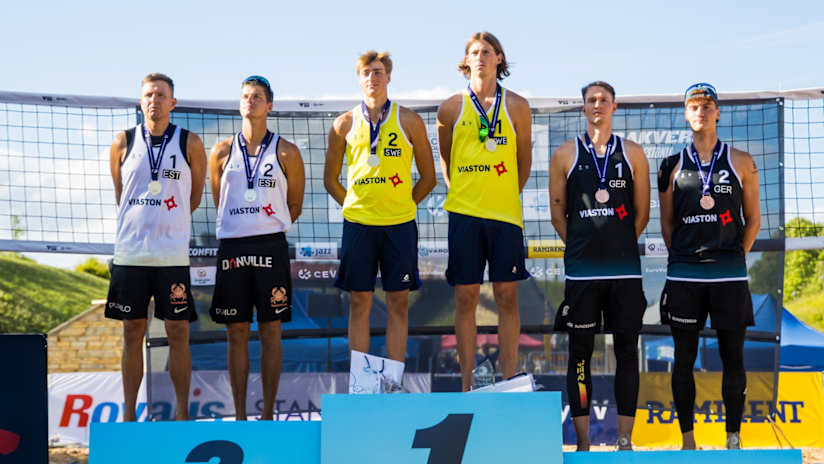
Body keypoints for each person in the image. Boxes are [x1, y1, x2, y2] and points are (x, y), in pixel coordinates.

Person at [658, 82, 761, 449]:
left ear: (718, 112)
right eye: (694, 106)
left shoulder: (742, 162)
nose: (701, 111)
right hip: (685, 275)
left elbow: (753, 221)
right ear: (686, 114)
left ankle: (733, 439)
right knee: (683, 360)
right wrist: (685, 257)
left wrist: (735, 257)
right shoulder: (670, 166)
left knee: (733, 358)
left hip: (729, 275)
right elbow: (667, 225)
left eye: (708, 106)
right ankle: (688, 441)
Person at [549, 81, 650, 451]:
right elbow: (559, 215)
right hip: (582, 274)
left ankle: (625, 440)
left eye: (603, 100)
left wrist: (616, 245)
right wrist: (582, 247)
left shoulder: (634, 153)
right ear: (583, 108)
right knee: (579, 357)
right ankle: (583, 442)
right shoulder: (563, 154)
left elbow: (641, 215)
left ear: (614, 106)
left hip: (624, 273)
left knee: (626, 352)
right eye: (591, 100)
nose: (597, 105)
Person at [106, 73, 207, 421]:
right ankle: (130, 414)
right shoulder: (122, 142)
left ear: (172, 102)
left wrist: (169, 219)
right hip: (131, 255)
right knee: (131, 331)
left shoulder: (190, 143)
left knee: (178, 331)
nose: (154, 100)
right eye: (148, 94)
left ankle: (182, 414)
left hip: (171, 256)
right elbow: (123, 197)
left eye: (161, 95)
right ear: (141, 100)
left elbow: (192, 199)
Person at [324, 51, 436, 364]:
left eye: (378, 72)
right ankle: (361, 381)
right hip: (359, 223)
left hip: (399, 224)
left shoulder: (409, 120)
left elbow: (429, 178)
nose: (372, 78)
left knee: (398, 302)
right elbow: (329, 180)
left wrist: (400, 204)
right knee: (360, 301)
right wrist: (355, 206)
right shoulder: (344, 123)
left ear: (388, 77)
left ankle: (393, 381)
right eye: (366, 73)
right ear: (359, 78)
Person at [436, 32, 532, 391]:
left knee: (507, 296)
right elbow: (446, 163)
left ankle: (507, 380)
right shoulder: (450, 108)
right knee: (466, 297)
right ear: (466, 61)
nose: (480, 57)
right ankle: (465, 383)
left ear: (499, 59)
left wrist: (501, 194)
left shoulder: (518, 106)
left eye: (486, 52)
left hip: (505, 216)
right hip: (464, 215)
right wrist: (466, 192)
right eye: (473, 52)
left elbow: (523, 164)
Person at [208, 76, 305, 420]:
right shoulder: (221, 151)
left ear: (269, 106)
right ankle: (239, 415)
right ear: (240, 104)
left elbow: (294, 204)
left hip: (271, 246)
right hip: (233, 246)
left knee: (271, 330)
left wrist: (263, 224)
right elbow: (220, 199)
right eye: (246, 96)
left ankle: (267, 416)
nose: (250, 101)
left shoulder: (287, 151)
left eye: (258, 97)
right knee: (236, 331)